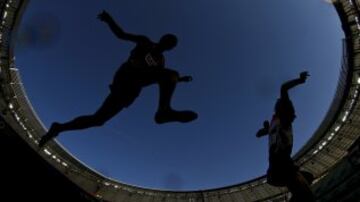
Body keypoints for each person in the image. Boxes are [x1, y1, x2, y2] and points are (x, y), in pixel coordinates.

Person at [39, 10, 198, 148]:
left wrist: (180, 79)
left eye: (170, 47)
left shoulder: (161, 62)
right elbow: (121, 35)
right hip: (126, 77)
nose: (166, 47)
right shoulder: (145, 42)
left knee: (98, 120)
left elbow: (160, 79)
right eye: (166, 43)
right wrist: (109, 20)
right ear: (162, 40)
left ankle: (59, 127)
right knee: (170, 74)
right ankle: (164, 111)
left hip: (130, 91)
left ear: (170, 49)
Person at [256, 71, 315, 202]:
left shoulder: (277, 121)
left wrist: (265, 130)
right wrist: (300, 80)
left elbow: (259, 134)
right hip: (281, 163)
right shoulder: (279, 118)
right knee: (307, 194)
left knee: (309, 178)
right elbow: (283, 88)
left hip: (275, 168)